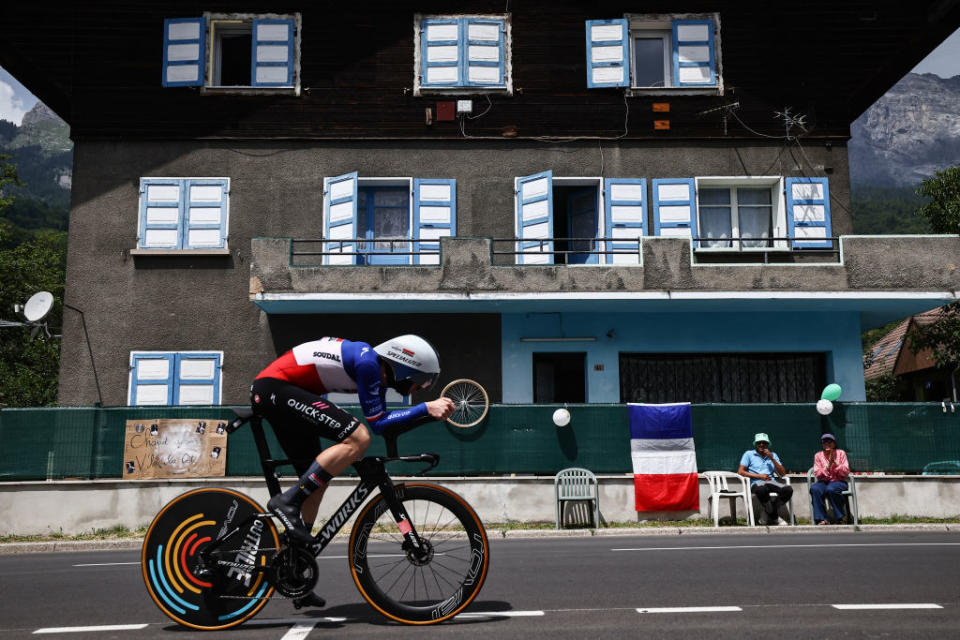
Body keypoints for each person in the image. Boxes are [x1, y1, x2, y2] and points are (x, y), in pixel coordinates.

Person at [250, 334, 455, 608]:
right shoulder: (368, 362)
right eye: (422, 381)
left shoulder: (376, 374)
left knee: (316, 479)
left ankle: (295, 568)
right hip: (275, 388)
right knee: (357, 438)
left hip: (282, 392)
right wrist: (424, 408)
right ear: (406, 366)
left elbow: (382, 424)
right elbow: (373, 426)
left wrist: (425, 413)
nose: (419, 389)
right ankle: (287, 502)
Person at [738, 432, 793, 525]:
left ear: (768, 444)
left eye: (764, 442)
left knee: (788, 490)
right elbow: (740, 472)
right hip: (757, 482)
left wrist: (772, 458)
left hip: (771, 482)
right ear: (755, 444)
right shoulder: (749, 454)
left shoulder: (773, 455)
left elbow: (783, 474)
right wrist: (759, 476)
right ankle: (775, 517)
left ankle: (767, 512)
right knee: (761, 490)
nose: (761, 445)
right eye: (759, 443)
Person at [810, 433, 850, 525]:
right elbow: (818, 474)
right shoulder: (818, 455)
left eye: (830, 441)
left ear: (834, 443)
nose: (827, 443)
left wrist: (835, 463)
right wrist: (828, 467)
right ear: (822, 444)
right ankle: (822, 518)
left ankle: (841, 517)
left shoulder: (841, 453)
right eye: (824, 442)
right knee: (815, 488)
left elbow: (846, 471)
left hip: (839, 481)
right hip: (824, 481)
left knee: (831, 489)